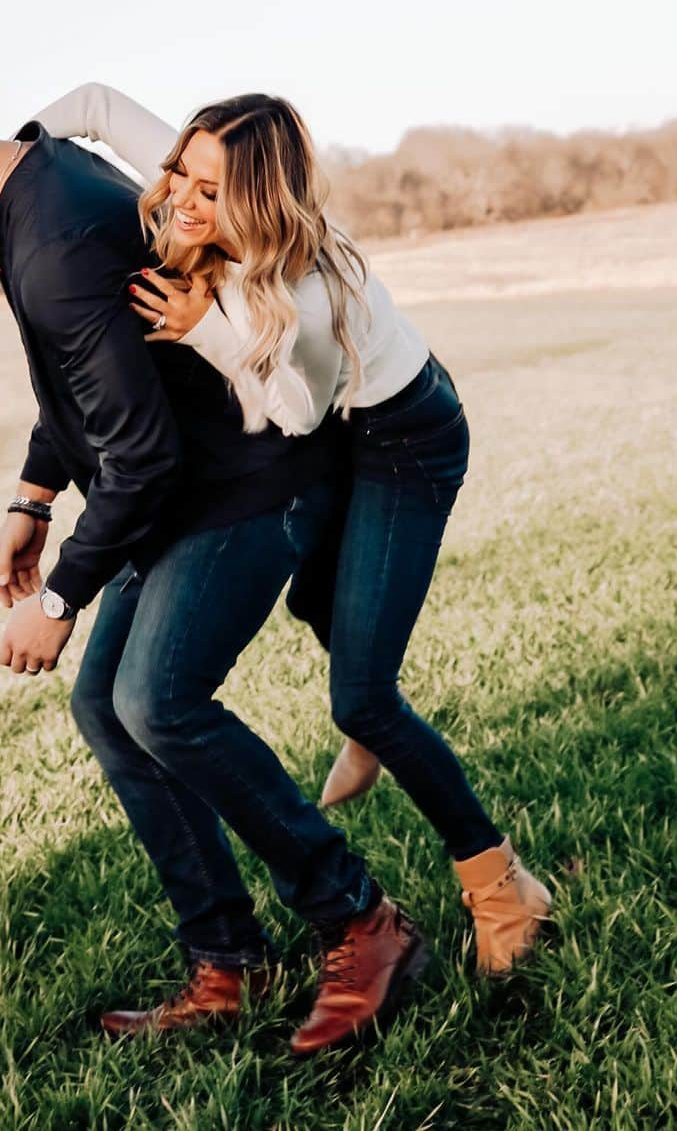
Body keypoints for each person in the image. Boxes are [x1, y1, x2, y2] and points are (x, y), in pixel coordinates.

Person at [0, 81, 431, 1056]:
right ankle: (230, 963)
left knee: (157, 701)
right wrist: (33, 493)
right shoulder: (32, 204)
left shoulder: (55, 234)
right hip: (189, 481)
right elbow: (84, 388)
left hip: (245, 479)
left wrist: (62, 595)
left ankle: (360, 919)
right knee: (108, 707)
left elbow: (141, 451)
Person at [33, 82, 552, 978]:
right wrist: (23, 161)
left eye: (209, 193)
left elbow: (300, 415)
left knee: (362, 693)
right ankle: (372, 711)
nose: (183, 203)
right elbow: (93, 105)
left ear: (261, 200)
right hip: (350, 427)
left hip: (402, 437)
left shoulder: (299, 293)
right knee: (316, 594)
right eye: (180, 176)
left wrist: (210, 332)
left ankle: (502, 884)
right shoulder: (211, 172)